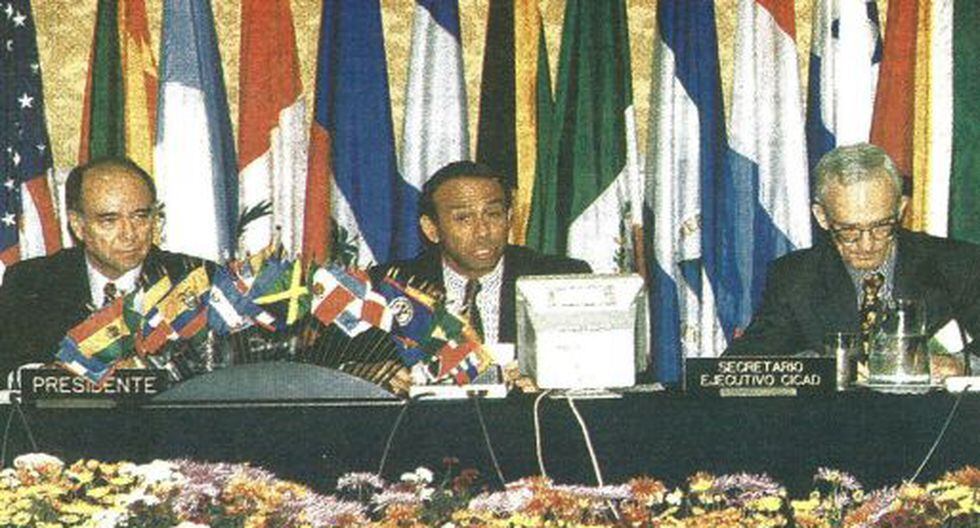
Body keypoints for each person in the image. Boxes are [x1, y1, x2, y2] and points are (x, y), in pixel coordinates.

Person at [725, 143, 980, 361]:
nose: (867, 245)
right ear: (822, 217)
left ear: (900, 208)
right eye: (849, 231)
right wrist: (813, 366)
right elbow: (745, 361)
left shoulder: (958, 265)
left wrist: (959, 365)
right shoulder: (796, 277)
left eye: (882, 226)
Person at [0, 157, 209, 382]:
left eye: (140, 216)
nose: (129, 234)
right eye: (109, 220)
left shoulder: (195, 278)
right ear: (78, 226)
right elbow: (6, 368)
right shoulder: (31, 283)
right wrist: (41, 376)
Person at [371, 160, 592, 345]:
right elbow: (361, 364)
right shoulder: (390, 286)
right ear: (432, 229)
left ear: (509, 218)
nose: (483, 231)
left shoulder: (561, 278)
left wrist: (543, 376)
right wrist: (382, 372)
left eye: (493, 214)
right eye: (464, 218)